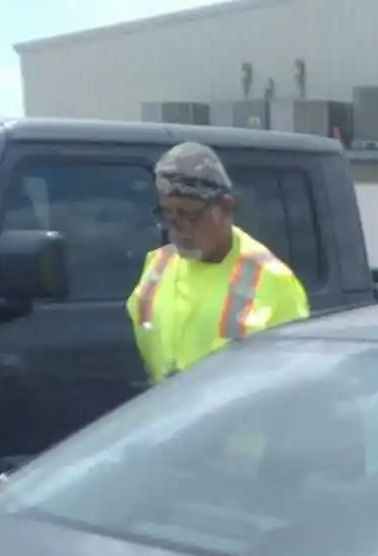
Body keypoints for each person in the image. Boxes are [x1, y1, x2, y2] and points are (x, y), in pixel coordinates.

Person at [127, 141, 310, 383]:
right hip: (170, 414)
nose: (177, 228)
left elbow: (293, 379)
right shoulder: (158, 265)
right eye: (168, 214)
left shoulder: (272, 280)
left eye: (188, 215)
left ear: (225, 207)